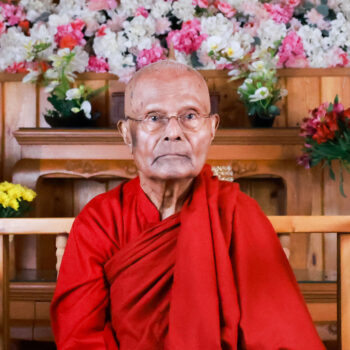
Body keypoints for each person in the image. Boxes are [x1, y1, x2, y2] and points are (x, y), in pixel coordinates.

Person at [51, 60, 326, 350]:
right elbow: (79, 335)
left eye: (190, 116)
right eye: (154, 117)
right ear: (126, 134)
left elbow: (279, 335)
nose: (173, 132)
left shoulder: (237, 214)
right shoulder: (101, 220)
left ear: (212, 128)